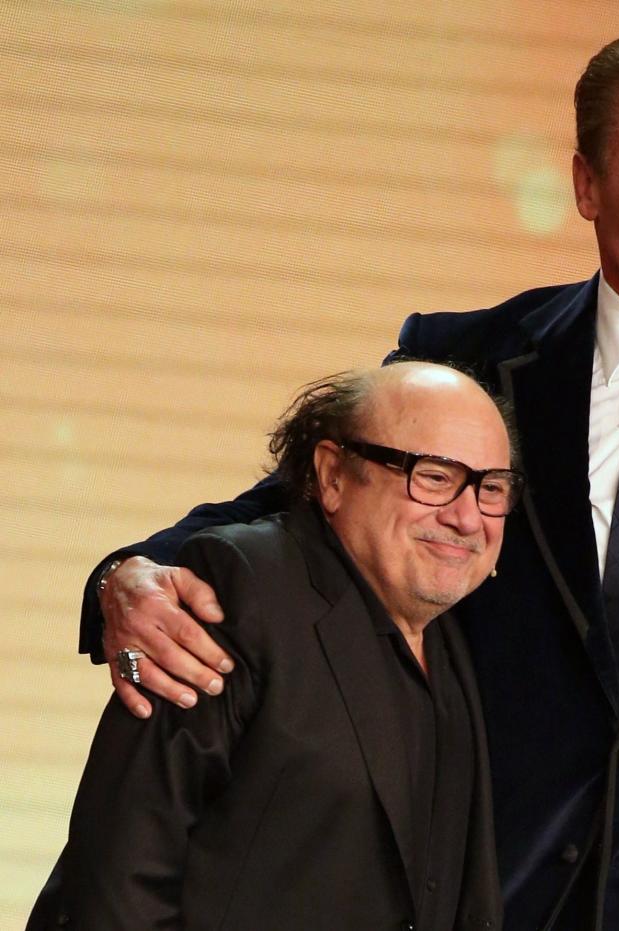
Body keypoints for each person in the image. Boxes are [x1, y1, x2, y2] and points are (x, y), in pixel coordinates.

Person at [74, 23, 619, 931]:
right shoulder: (466, 362)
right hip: (477, 902)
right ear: (587, 183)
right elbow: (297, 509)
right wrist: (127, 576)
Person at [33, 362, 514, 930]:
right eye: (434, 476)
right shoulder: (238, 587)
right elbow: (119, 875)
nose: (466, 516)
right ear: (332, 475)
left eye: (492, 488)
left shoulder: (454, 638)